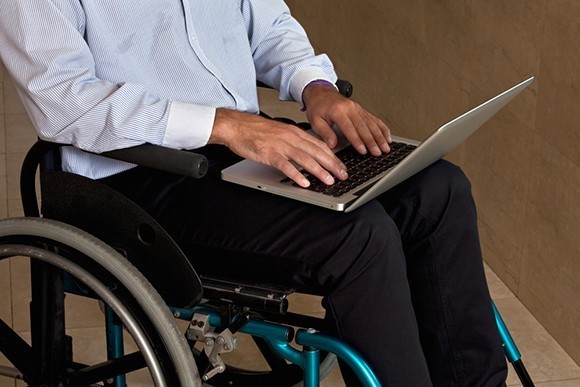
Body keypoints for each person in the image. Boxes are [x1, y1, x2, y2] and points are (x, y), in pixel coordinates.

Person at [0, 1, 508, 385]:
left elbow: (268, 27)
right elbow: (62, 102)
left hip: (244, 145)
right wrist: (222, 124)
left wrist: (316, 88)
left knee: (437, 189)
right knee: (359, 238)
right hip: (131, 175)